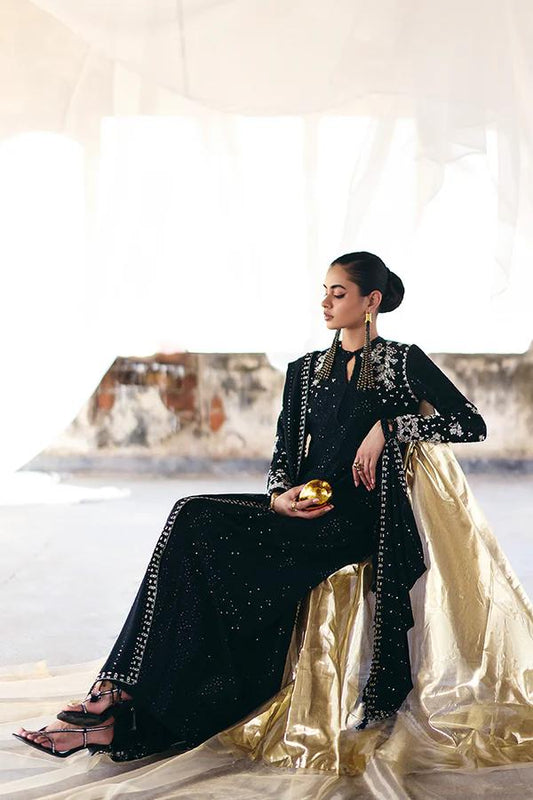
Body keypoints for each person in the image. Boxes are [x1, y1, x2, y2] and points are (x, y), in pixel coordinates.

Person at [13, 251, 487, 760]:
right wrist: (279, 496)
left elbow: (470, 423)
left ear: (371, 301)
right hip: (303, 509)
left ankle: (114, 702)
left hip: (357, 520)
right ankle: (118, 696)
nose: (325, 302)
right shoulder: (305, 372)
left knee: (198, 525)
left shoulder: (403, 362)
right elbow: (284, 453)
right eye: (324, 291)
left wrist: (389, 427)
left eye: (339, 293)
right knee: (190, 514)